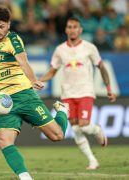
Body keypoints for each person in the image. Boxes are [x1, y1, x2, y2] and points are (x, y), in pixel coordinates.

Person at [0, 6, 69, 180]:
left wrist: (32, 79)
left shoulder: (13, 39)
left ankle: (62, 110)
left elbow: (22, 61)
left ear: (8, 24)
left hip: (25, 95)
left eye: (2, 26)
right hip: (5, 102)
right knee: (3, 141)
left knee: (57, 135)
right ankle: (25, 178)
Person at [39, 17, 117, 170]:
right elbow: (52, 71)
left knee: (83, 126)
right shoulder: (60, 50)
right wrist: (39, 80)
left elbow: (101, 67)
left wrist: (108, 89)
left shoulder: (89, 47)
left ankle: (97, 130)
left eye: (75, 27)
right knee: (75, 128)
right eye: (70, 27)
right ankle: (92, 160)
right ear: (66, 30)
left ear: (80, 30)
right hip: (67, 94)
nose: (72, 29)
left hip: (85, 91)